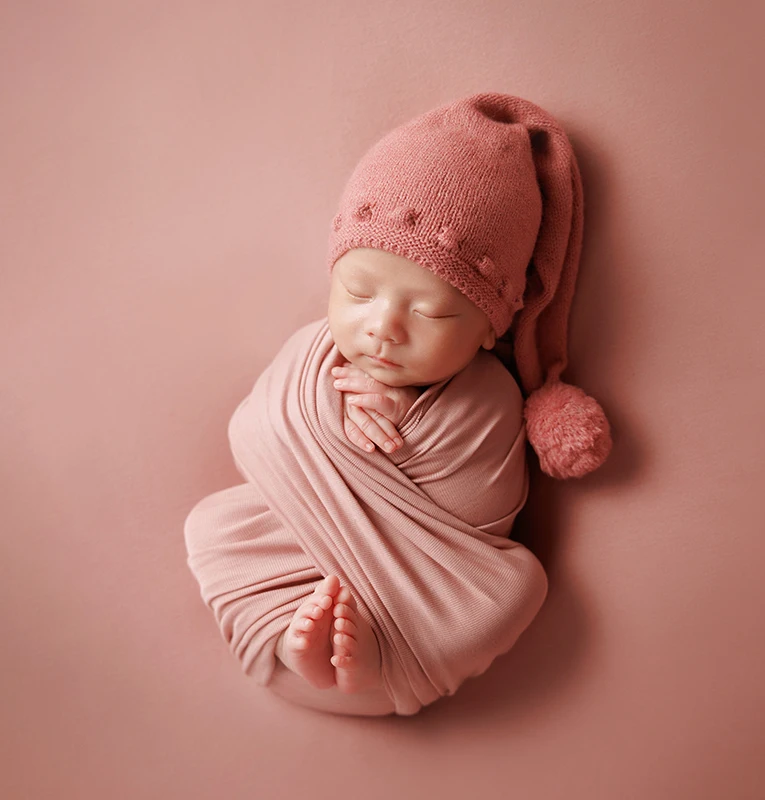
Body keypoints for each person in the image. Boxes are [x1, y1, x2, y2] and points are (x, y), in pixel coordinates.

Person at [184, 92, 613, 716]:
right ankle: (293, 642)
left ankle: (369, 656)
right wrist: (331, 422)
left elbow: (481, 510)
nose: (383, 327)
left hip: (419, 588)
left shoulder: (487, 399)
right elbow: (255, 432)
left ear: (489, 327)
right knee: (213, 527)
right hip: (298, 540)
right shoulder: (315, 353)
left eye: (429, 310)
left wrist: (397, 445)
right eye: (358, 293)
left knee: (515, 590)